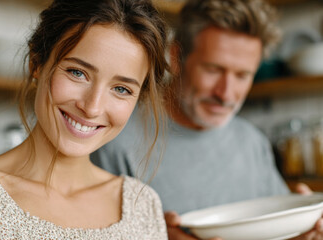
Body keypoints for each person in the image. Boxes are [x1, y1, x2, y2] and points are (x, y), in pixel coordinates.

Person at [0, 0, 171, 239]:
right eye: (77, 72)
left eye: (121, 89)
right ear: (37, 63)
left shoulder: (142, 206)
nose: (92, 108)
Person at [91, 0, 323, 239]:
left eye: (243, 75)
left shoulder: (252, 141)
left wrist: (304, 232)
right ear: (176, 55)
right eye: (213, 70)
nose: (225, 93)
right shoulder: (115, 140)